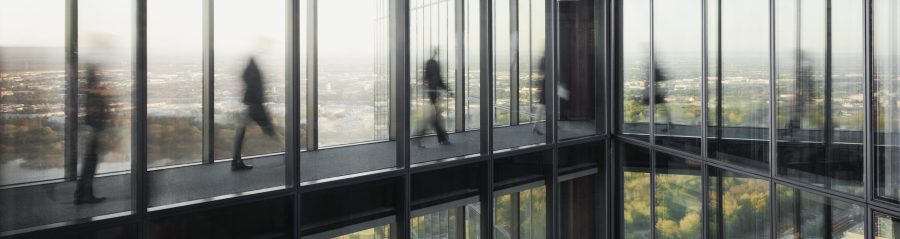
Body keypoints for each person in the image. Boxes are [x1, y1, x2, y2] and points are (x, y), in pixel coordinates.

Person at [231, 57, 276, 170]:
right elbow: (258, 92)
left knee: (241, 132)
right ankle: (287, 151)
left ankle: (236, 160)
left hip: (250, 105)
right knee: (269, 130)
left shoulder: (248, 74)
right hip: (256, 106)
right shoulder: (255, 74)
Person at [75, 64, 110, 204]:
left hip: (91, 130)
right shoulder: (93, 90)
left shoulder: (89, 89)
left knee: (88, 164)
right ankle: (85, 195)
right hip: (93, 130)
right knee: (90, 164)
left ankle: (82, 195)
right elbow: (95, 110)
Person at [414, 48, 451, 147]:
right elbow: (439, 80)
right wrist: (448, 90)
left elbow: (429, 78)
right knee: (434, 118)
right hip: (434, 94)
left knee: (435, 118)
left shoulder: (430, 63)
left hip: (433, 94)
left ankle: (441, 137)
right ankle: (441, 137)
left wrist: (447, 90)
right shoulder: (434, 64)